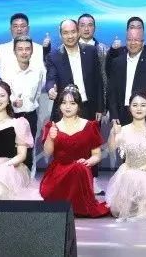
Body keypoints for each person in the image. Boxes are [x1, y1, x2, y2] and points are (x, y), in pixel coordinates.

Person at [45, 19, 106, 191]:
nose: (70, 36)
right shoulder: (54, 56)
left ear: (78, 31)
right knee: (64, 148)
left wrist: (100, 106)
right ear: (60, 35)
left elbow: (98, 81)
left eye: (73, 31)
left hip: (88, 106)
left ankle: (92, 180)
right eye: (66, 33)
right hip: (66, 108)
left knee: (90, 146)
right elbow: (51, 77)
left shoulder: (91, 51)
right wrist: (50, 89)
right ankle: (63, 180)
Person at [39, 85, 110, 218]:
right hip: (59, 173)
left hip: (81, 171)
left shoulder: (89, 126)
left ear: (78, 105)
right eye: (64, 103)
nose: (68, 107)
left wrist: (88, 162)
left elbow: (97, 155)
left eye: (72, 103)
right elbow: (48, 153)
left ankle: (79, 205)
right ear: (59, 105)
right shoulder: (53, 126)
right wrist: (50, 137)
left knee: (78, 168)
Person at [105, 92, 146, 221]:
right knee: (121, 207)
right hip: (128, 172)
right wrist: (112, 133)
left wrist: (141, 170)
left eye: (143, 105)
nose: (139, 108)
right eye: (135, 105)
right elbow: (111, 148)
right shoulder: (124, 130)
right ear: (130, 108)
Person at [0, 36, 46, 172]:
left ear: (32, 51)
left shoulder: (38, 70)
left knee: (28, 151)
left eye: (27, 49)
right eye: (20, 49)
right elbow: (3, 92)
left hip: (30, 115)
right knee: (10, 150)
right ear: (14, 51)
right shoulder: (7, 69)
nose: (24, 52)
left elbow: (38, 92)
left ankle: (27, 181)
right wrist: (13, 101)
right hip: (10, 116)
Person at [106, 27, 146, 125]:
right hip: (121, 114)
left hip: (144, 113)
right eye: (129, 40)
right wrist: (114, 114)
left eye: (136, 40)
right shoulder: (117, 61)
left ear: (143, 42)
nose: (132, 43)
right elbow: (112, 90)